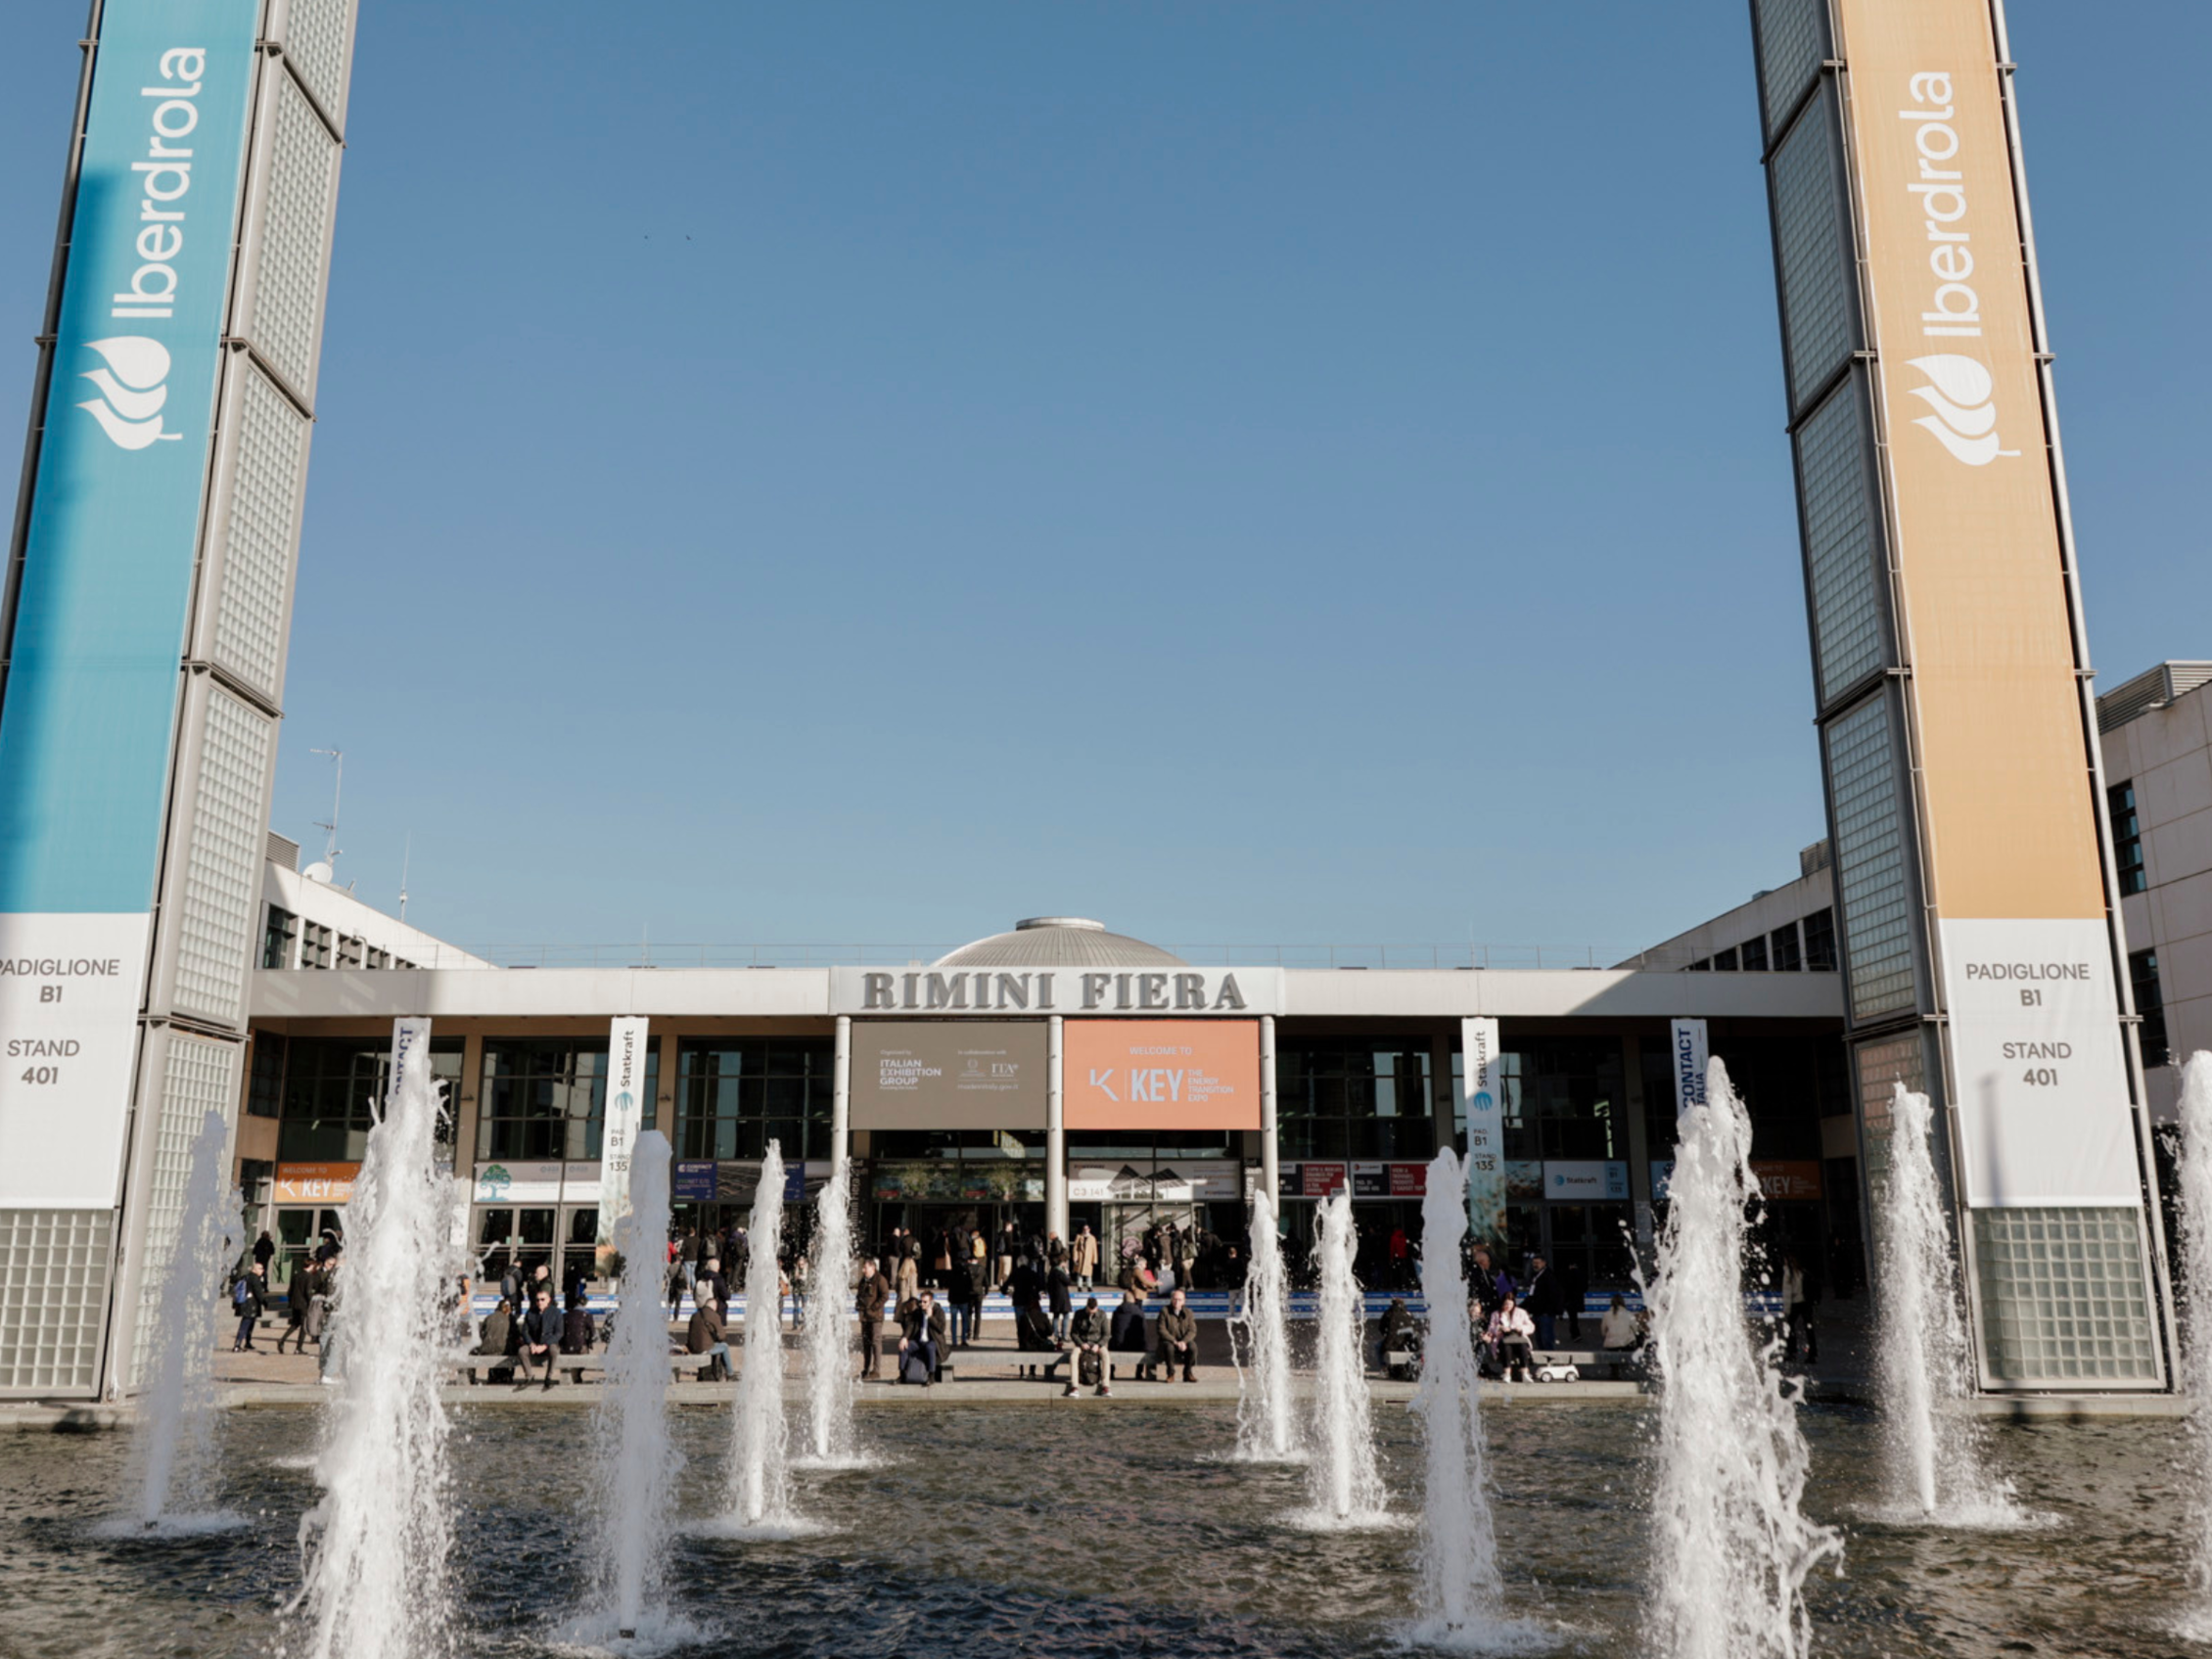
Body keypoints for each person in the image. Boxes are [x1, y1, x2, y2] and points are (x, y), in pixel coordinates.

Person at [899, 1289, 950, 1386]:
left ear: (931, 1302)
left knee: (930, 1348)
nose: (922, 1304)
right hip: (919, 1341)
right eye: (920, 1301)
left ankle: (931, 1376)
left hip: (933, 1341)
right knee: (903, 1347)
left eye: (925, 1302)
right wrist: (904, 1337)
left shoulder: (939, 1311)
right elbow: (911, 1325)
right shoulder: (918, 1312)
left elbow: (941, 1329)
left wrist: (930, 1317)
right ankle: (902, 1375)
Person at [1068, 1295, 1112, 1397]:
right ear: (1087, 1307)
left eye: (1094, 1311)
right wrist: (1081, 1344)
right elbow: (1073, 1333)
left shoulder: (1102, 1315)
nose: (1092, 1312)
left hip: (1097, 1343)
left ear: (1097, 1307)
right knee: (1073, 1357)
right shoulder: (1079, 1314)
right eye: (1090, 1310)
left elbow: (1106, 1334)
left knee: (1106, 1356)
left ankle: (1105, 1386)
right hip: (1083, 1342)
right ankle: (1074, 1386)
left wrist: (1099, 1345)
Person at [519, 1286, 562, 1389]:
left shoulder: (556, 1312)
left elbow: (559, 1333)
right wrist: (531, 1343)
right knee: (522, 1351)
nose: (540, 1302)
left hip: (549, 1343)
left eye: (543, 1299)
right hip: (534, 1344)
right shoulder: (530, 1312)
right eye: (537, 1300)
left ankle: (549, 1377)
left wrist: (545, 1345)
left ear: (549, 1300)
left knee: (554, 1350)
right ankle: (529, 1376)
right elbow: (525, 1331)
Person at [1154, 1287, 1199, 1383]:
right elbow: (1161, 1330)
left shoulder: (1189, 1313)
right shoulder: (1164, 1311)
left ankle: (1188, 1373)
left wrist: (1183, 1341)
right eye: (1175, 1299)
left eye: (1179, 1300)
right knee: (1169, 1347)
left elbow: (1192, 1330)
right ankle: (1171, 1374)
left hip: (1183, 1342)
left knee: (1193, 1347)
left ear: (1184, 1301)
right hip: (1169, 1342)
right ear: (1171, 1299)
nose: (1177, 1302)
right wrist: (1174, 1341)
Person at [1488, 1293, 1537, 1382]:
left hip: (1518, 1337)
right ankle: (1507, 1373)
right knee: (1506, 1348)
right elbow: (1491, 1328)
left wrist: (1521, 1329)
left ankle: (1525, 1373)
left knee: (1523, 1347)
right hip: (1503, 1339)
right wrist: (1499, 1328)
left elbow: (1531, 1326)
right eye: (1506, 1304)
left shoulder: (1521, 1312)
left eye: (1510, 1304)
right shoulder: (1496, 1314)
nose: (1508, 1306)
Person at [687, 1285, 732, 1381]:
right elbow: (722, 1336)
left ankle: (704, 1373)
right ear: (714, 1306)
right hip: (704, 1348)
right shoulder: (713, 1315)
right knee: (724, 1346)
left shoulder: (694, 1315)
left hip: (692, 1347)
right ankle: (730, 1373)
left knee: (711, 1344)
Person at [856, 1258, 892, 1381]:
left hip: (876, 1317)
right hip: (865, 1317)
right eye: (863, 1267)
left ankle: (876, 1371)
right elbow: (859, 1295)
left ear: (873, 1268)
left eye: (865, 1267)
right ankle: (866, 1369)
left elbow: (885, 1296)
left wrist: (873, 1308)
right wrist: (859, 1305)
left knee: (876, 1342)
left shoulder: (880, 1279)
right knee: (866, 1343)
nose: (863, 1270)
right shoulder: (863, 1280)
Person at [1782, 1251, 1820, 1364]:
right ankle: (1812, 1354)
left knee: (1790, 1328)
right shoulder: (1803, 1272)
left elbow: (1787, 1292)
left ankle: (1792, 1352)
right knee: (1809, 1329)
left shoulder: (1788, 1273)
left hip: (1795, 1303)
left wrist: (1786, 1309)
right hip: (1806, 1303)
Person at [1522, 1253, 1564, 1350]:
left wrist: (1556, 1310)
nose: (1535, 1265)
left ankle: (1550, 1360)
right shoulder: (1535, 1277)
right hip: (1537, 1312)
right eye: (1534, 1263)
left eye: (1538, 1263)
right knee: (1539, 1339)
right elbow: (1531, 1295)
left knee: (1547, 1339)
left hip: (1546, 1313)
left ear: (1544, 1263)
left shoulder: (1549, 1276)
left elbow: (1556, 1294)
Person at [276, 1256, 316, 1355]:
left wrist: (291, 1301)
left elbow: (290, 1291)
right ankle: (298, 1348)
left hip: (295, 1303)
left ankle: (282, 1339)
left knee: (295, 1324)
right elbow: (307, 1292)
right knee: (304, 1327)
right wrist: (311, 1302)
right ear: (310, 1265)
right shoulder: (309, 1277)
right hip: (304, 1305)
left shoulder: (296, 1275)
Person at [1110, 1289, 1151, 1380]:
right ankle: (1139, 1372)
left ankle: (1111, 1372)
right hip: (1136, 1345)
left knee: (1111, 1341)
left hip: (1118, 1345)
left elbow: (1113, 1330)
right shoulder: (1139, 1312)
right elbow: (1143, 1331)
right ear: (1134, 1300)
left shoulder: (1116, 1312)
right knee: (1144, 1342)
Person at [230, 1261, 269, 1352]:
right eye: (260, 1268)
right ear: (254, 1269)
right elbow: (259, 1293)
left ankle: (247, 1342)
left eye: (262, 1268)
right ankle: (237, 1345)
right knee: (245, 1324)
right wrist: (265, 1303)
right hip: (251, 1305)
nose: (262, 1270)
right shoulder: (255, 1279)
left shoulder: (246, 1277)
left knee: (249, 1324)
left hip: (245, 1303)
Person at [477, 1296, 517, 1382]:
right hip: (504, 1350)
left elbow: (481, 1334)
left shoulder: (489, 1317)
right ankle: (507, 1376)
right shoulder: (511, 1319)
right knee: (510, 1348)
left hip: (487, 1349)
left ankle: (493, 1376)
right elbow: (515, 1335)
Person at [1377, 1296, 1417, 1371]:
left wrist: (1385, 1337)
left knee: (1378, 1346)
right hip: (1406, 1344)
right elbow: (1414, 1328)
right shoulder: (1408, 1314)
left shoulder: (1389, 1313)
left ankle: (1383, 1367)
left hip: (1391, 1343)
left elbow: (1381, 1328)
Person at [958, 1250, 989, 1349]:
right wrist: (986, 1292)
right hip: (979, 1293)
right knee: (978, 1315)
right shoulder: (982, 1269)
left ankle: (968, 1332)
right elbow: (986, 1282)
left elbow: (963, 1282)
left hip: (969, 1293)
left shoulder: (966, 1268)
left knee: (968, 1314)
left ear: (970, 1260)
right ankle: (976, 1335)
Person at [560, 1286, 595, 1355]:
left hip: (566, 1346)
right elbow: (593, 1333)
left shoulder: (565, 1315)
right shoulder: (587, 1316)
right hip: (581, 1347)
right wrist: (590, 1342)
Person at [1047, 1255, 1074, 1344]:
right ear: (1062, 1262)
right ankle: (1064, 1335)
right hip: (1062, 1298)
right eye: (1065, 1262)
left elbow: (1048, 1285)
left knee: (1056, 1316)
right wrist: (1067, 1274)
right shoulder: (1060, 1272)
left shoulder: (1052, 1272)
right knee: (1066, 1316)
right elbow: (1068, 1282)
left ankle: (1056, 1335)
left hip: (1054, 1298)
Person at [1072, 1223, 1099, 1292]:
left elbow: (1094, 1249)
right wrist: (1075, 1256)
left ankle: (1089, 1286)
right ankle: (1079, 1286)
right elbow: (1075, 1248)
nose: (1085, 1230)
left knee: (1088, 1274)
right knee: (1079, 1273)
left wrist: (1094, 1259)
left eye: (1087, 1229)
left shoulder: (1092, 1238)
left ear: (1089, 1230)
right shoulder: (1079, 1237)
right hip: (1080, 1257)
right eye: (1084, 1229)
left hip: (1088, 1258)